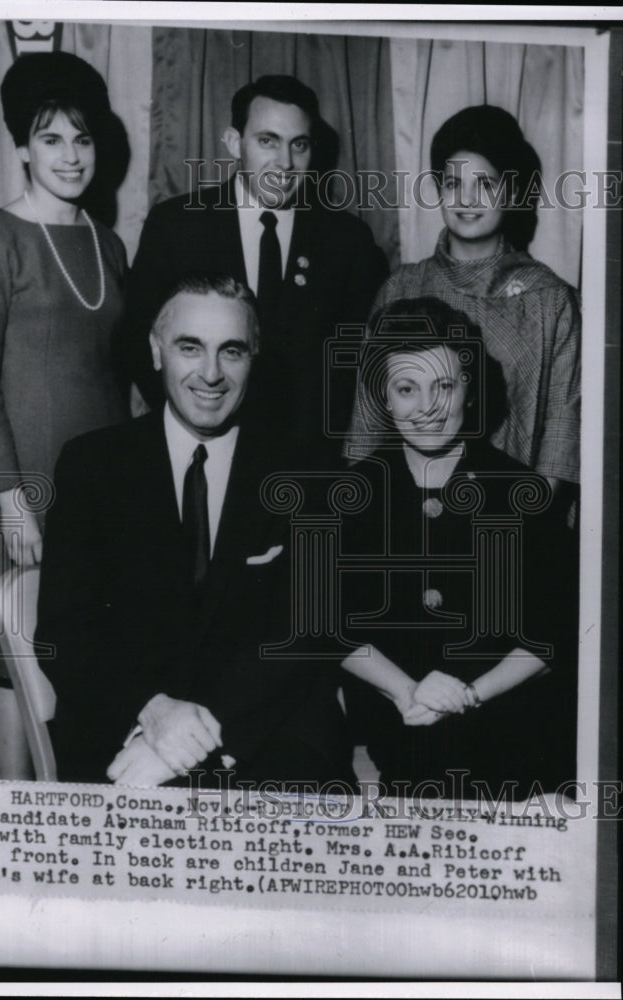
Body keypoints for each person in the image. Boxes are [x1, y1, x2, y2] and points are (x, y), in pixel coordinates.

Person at [36, 273, 353, 788]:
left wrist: (188, 746)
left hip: (266, 736)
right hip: (128, 730)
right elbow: (64, 634)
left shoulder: (308, 475)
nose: (211, 374)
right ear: (157, 351)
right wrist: (154, 714)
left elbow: (307, 634)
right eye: (190, 348)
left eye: (231, 351)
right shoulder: (93, 464)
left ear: (254, 357)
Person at [0, 52, 130, 778]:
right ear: (21, 147)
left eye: (82, 139)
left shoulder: (108, 242)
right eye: (50, 138)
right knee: (8, 659)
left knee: (78, 647)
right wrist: (11, 499)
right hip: (20, 489)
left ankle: (62, 809)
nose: (70, 156)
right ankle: (9, 816)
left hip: (97, 489)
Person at [341, 298, 577, 800]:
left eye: (443, 386)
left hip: (512, 729)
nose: (426, 408)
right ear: (384, 397)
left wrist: (469, 695)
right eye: (407, 389)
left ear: (468, 389)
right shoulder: (353, 494)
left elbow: (552, 631)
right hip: (400, 727)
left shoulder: (521, 491)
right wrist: (406, 690)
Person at [121, 74, 387, 454]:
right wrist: (193, 423)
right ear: (234, 143)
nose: (285, 163)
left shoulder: (348, 240)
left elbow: (358, 363)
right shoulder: (177, 225)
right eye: (268, 141)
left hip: (308, 463)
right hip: (200, 453)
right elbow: (137, 340)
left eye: (299, 145)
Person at [347, 105, 580, 518]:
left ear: (510, 191)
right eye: (453, 184)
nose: (467, 200)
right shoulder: (401, 288)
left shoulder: (551, 300)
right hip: (402, 520)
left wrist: (524, 529)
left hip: (509, 522)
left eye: (485, 184)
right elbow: (367, 429)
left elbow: (558, 447)